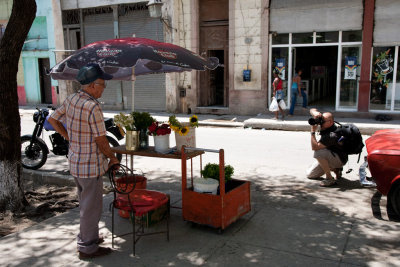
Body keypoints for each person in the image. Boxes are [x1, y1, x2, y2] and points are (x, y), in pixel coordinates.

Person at [48, 63, 119, 259]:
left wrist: (68, 136)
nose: (103, 89)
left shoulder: (71, 99)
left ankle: (90, 237)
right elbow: (101, 139)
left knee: (86, 204)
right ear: (92, 85)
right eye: (102, 85)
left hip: (76, 162)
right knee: (91, 208)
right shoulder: (92, 106)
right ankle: (88, 248)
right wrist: (112, 158)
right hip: (90, 166)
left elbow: (53, 118)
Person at [306, 108, 348, 187]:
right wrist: (315, 113)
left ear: (331, 122)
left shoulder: (332, 135)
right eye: (321, 120)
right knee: (310, 175)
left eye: (323, 121)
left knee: (318, 153)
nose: (320, 122)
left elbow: (315, 147)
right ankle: (335, 170)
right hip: (331, 154)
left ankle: (329, 178)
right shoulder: (326, 126)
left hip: (339, 159)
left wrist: (312, 131)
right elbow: (312, 109)